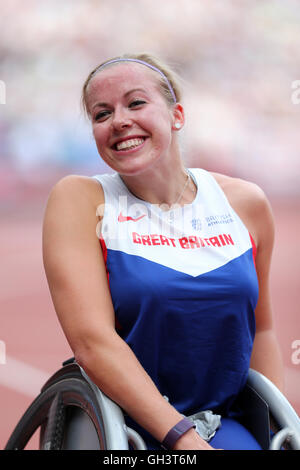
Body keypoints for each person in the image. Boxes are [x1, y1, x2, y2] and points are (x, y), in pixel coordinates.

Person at [42, 53, 284, 450]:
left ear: (177, 115)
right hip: (123, 427)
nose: (119, 120)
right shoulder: (79, 199)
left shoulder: (244, 203)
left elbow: (263, 330)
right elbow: (92, 341)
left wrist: (275, 431)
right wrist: (182, 439)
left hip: (224, 425)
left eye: (136, 103)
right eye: (101, 114)